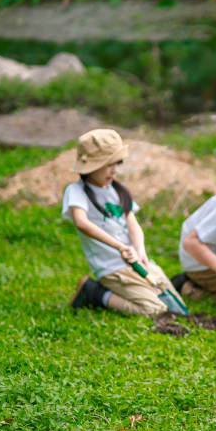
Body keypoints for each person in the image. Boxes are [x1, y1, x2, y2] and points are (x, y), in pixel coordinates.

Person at [63, 129, 186, 317]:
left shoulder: (117, 191)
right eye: (107, 164)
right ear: (91, 167)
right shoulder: (76, 191)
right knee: (154, 309)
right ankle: (94, 293)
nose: (114, 170)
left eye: (117, 163)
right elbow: (81, 223)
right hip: (112, 269)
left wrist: (140, 251)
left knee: (175, 306)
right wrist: (120, 247)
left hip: (136, 262)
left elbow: (133, 224)